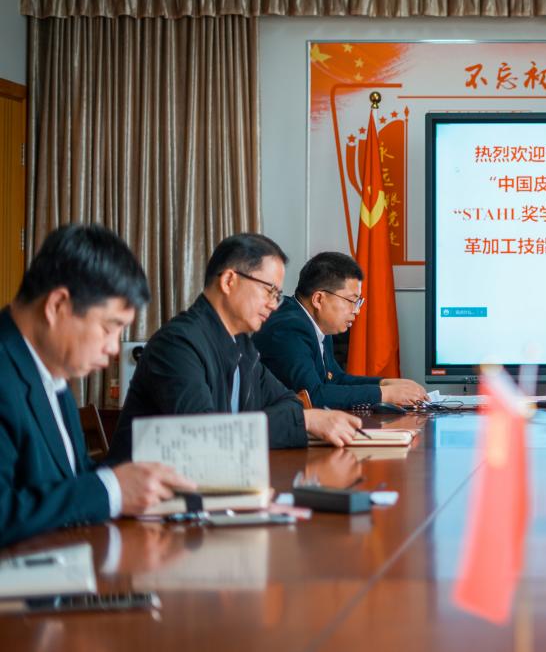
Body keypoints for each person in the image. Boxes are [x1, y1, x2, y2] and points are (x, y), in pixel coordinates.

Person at [0, 224, 194, 547]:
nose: (114, 348)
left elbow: (71, 477)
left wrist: (138, 486)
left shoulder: (51, 370)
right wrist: (111, 491)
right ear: (57, 306)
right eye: (108, 328)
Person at [109, 233, 361, 463]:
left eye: (277, 295)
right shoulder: (178, 344)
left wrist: (293, 418)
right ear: (229, 280)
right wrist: (305, 420)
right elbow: (203, 434)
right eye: (269, 291)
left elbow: (287, 401)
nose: (274, 305)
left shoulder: (241, 346)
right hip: (147, 494)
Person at [255, 252, 427, 409]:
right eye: (351, 301)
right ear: (319, 299)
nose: (356, 311)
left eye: (358, 302)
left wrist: (385, 383)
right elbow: (313, 397)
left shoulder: (316, 322)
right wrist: (385, 394)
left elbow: (335, 379)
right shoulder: (288, 328)